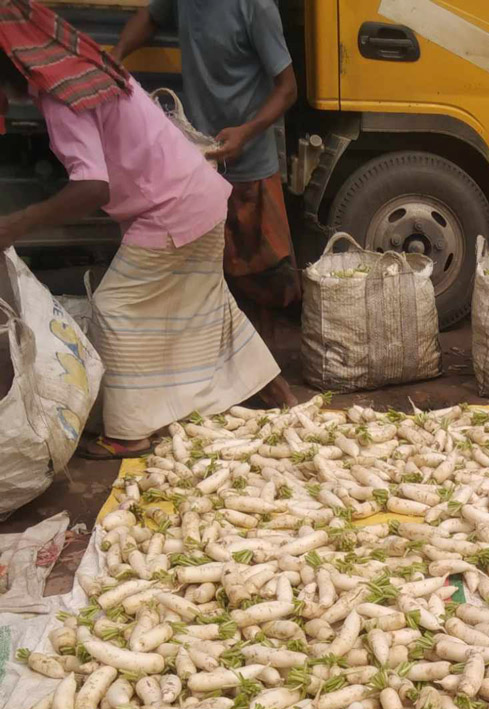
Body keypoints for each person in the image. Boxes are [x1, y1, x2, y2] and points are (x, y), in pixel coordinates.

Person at [0, 0, 281, 458]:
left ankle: (128, 434)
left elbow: (92, 187)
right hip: (199, 195)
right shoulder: (91, 70)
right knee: (210, 303)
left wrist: (18, 223)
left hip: (172, 210)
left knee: (114, 307)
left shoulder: (59, 97)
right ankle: (280, 397)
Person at [114, 0, 300, 408]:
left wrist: (247, 133)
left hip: (249, 165)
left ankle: (264, 382)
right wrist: (115, 54)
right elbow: (150, 18)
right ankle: (225, 380)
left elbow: (287, 89)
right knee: (210, 274)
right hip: (198, 160)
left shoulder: (256, 7)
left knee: (260, 277)